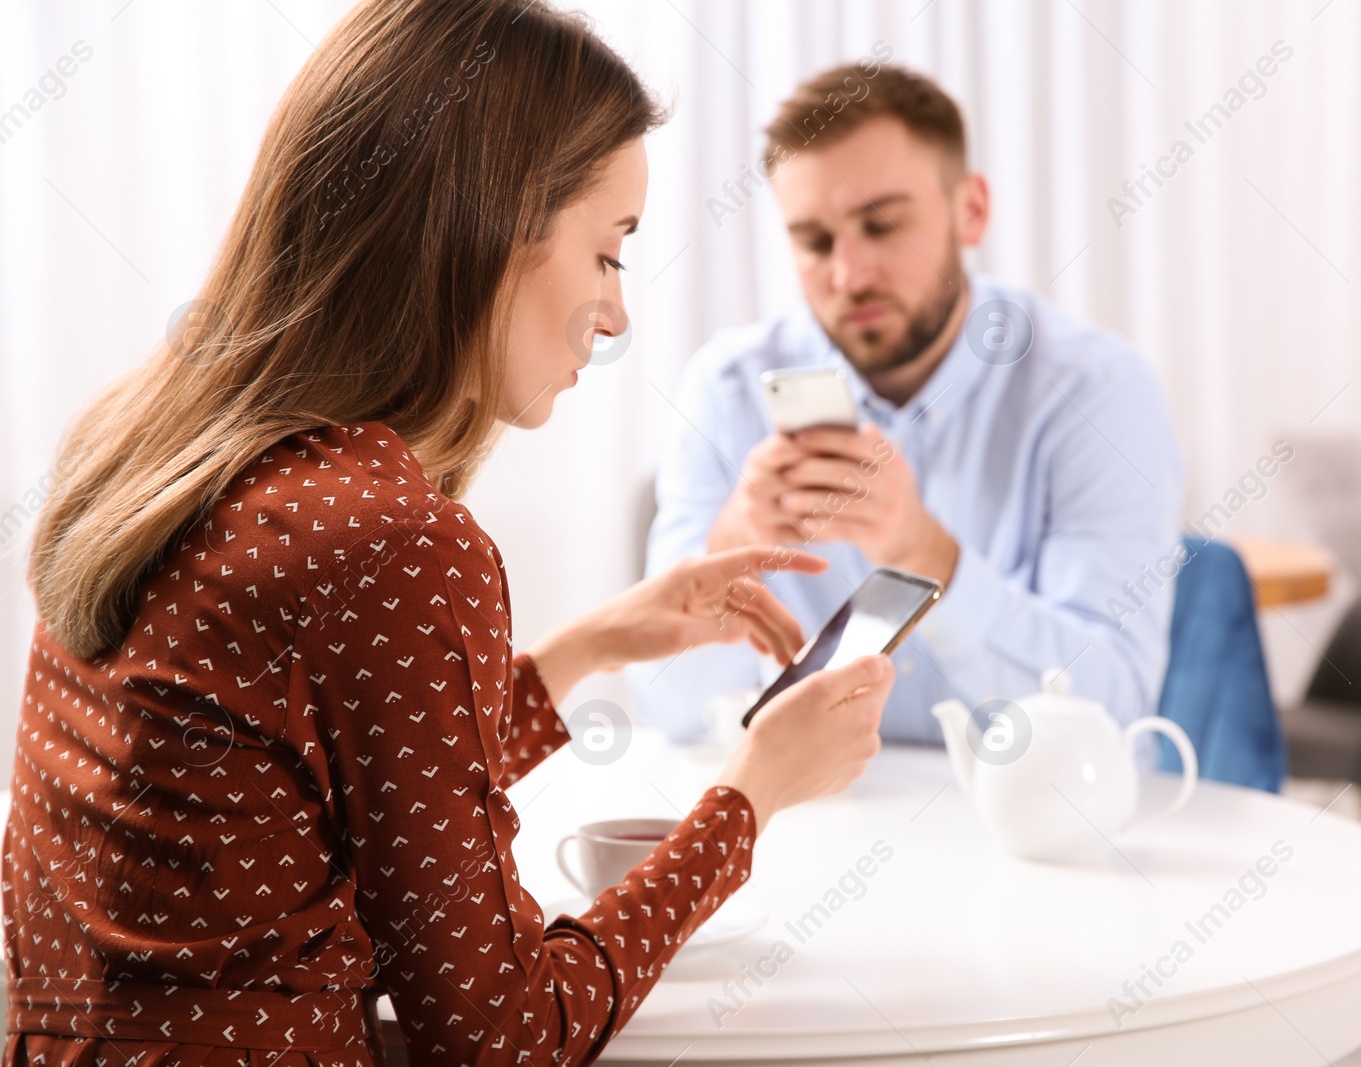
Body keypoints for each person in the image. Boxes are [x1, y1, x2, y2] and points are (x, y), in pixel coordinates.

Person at [4, 3, 894, 1064]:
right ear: (490, 225)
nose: (616, 317)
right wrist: (752, 795)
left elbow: (319, 792)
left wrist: (594, 643)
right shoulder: (391, 541)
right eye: (610, 253)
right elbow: (501, 1034)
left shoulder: (157, 437)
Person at [630, 65, 1184, 745]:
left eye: (883, 225)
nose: (849, 274)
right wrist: (730, 553)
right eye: (814, 240)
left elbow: (1114, 713)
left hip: (1021, 832)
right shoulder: (727, 387)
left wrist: (930, 560)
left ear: (971, 210)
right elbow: (667, 711)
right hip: (814, 824)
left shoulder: (1096, 391)